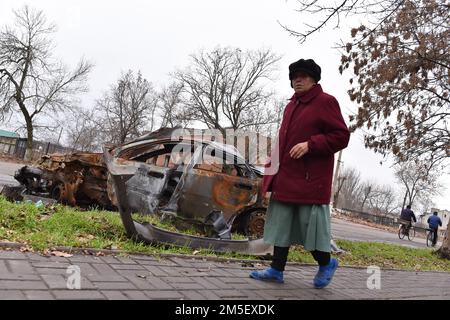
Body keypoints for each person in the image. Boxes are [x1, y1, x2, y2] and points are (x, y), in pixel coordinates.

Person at [249, 58, 350, 289]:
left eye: (303, 75)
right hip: (286, 178)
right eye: (294, 76)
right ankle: (276, 270)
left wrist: (311, 145)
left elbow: (341, 135)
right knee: (280, 226)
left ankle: (326, 264)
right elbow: (282, 143)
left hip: (310, 181)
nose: (298, 79)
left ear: (314, 79)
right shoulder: (290, 105)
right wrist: (269, 172)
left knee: (310, 229)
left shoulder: (326, 102)